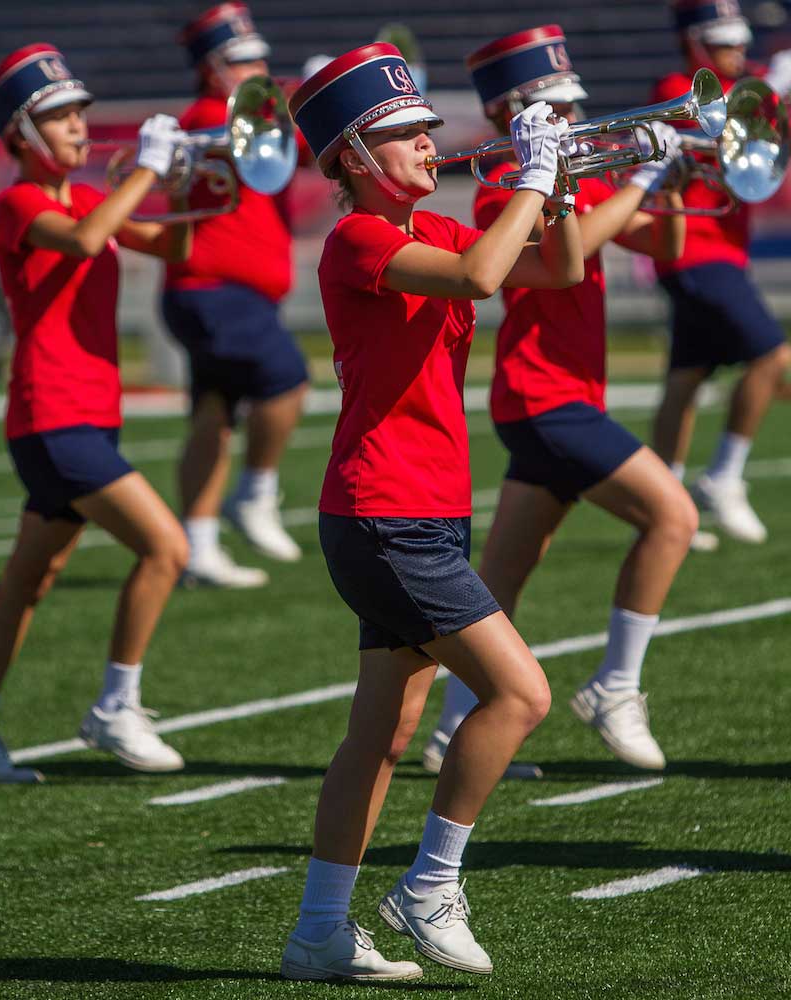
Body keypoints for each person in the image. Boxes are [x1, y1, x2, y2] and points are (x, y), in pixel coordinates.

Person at [279, 42, 584, 982]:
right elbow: (484, 281)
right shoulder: (360, 238)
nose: (429, 141)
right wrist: (529, 173)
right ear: (357, 157)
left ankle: (320, 931)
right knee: (521, 695)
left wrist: (561, 185)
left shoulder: (440, 230)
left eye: (423, 126)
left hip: (419, 509)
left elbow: (553, 273)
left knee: (381, 736)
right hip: (386, 511)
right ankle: (429, 886)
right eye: (406, 132)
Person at [423, 26, 698, 777]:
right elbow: (565, 265)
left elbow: (663, 247)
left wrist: (668, 185)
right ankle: (617, 685)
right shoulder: (500, 191)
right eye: (558, 108)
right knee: (674, 517)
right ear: (516, 110)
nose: (576, 121)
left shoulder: (577, 182)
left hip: (560, 394)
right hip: (542, 395)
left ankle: (454, 728)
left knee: (502, 581)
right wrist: (639, 181)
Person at [0, 44, 190, 782]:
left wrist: (194, 184)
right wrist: (143, 169)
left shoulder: (83, 197)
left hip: (85, 417)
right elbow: (83, 241)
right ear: (21, 134)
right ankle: (116, 704)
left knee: (25, 584)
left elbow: (176, 244)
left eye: (78, 112)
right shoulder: (22, 202)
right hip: (53, 417)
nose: (78, 126)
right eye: (59, 116)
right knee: (166, 548)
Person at [161, 2, 309, 588]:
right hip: (213, 291)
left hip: (231, 295)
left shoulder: (252, 118)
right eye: (243, 60)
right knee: (287, 378)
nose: (259, 68)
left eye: (260, 57)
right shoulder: (207, 116)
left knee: (213, 416)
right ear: (212, 69)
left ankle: (196, 545)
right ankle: (256, 493)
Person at [651, 0, 791, 545]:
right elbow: (724, 134)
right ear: (696, 45)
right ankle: (724, 476)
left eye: (740, 42)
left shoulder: (751, 81)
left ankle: (664, 503)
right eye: (724, 43)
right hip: (689, 248)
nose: (738, 52)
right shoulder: (676, 84)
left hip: (724, 250)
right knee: (771, 352)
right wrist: (770, 91)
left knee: (686, 378)